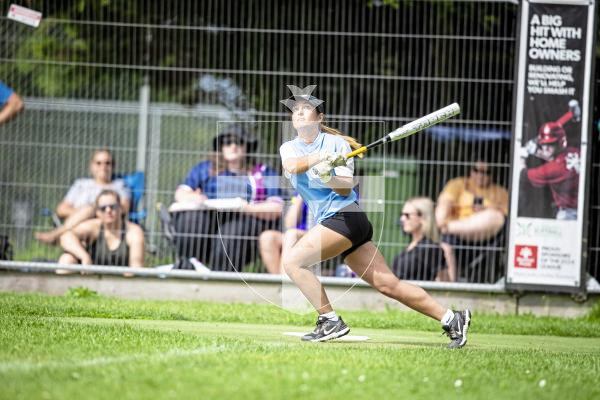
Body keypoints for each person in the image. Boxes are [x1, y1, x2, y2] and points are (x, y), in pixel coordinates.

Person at [278, 86, 470, 348]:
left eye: (305, 109)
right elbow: (291, 166)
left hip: (345, 217)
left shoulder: (338, 144)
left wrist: (329, 176)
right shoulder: (289, 147)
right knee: (388, 284)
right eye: (295, 110)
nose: (298, 113)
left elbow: (345, 188)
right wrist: (320, 159)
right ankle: (451, 318)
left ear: (320, 118)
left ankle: (329, 320)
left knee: (293, 261)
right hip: (338, 221)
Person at [171, 124, 284, 271]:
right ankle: (190, 267)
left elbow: (276, 208)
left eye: (238, 142)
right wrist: (195, 198)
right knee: (192, 220)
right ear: (221, 147)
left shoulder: (263, 172)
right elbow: (180, 193)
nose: (233, 146)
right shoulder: (205, 168)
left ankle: (220, 278)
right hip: (208, 217)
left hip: (245, 220)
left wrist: (246, 208)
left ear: (247, 147)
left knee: (233, 232)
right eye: (227, 142)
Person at [34, 149, 131, 244]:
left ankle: (56, 234)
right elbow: (61, 209)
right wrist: (84, 213)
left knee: (91, 210)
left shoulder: (119, 185)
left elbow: (124, 208)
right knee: (67, 258)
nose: (103, 167)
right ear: (91, 166)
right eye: (98, 163)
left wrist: (97, 212)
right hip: (76, 225)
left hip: (103, 226)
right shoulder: (80, 184)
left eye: (107, 163)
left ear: (112, 166)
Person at [58, 190, 144, 271]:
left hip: (122, 281)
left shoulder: (133, 231)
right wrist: (84, 257)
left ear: (121, 209)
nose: (108, 210)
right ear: (97, 213)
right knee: (66, 259)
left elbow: (136, 267)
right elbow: (65, 237)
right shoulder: (93, 227)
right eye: (103, 208)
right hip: (91, 278)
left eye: (112, 206)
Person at [519, 122, 580, 220]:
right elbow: (557, 159)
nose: (546, 148)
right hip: (582, 210)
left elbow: (523, 174)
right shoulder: (575, 151)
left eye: (551, 144)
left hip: (570, 214)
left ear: (560, 142)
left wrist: (522, 156)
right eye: (543, 144)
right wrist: (536, 152)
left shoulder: (554, 169)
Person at [393, 197, 454, 282]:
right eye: (402, 214)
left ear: (422, 217)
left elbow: (445, 282)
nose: (402, 219)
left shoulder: (429, 247)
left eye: (407, 215)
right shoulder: (412, 246)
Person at [259, 194, 310, 274]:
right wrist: (301, 197)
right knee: (267, 237)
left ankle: (285, 281)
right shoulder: (300, 193)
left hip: (317, 234)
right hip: (297, 235)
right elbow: (289, 224)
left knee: (291, 235)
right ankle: (278, 281)